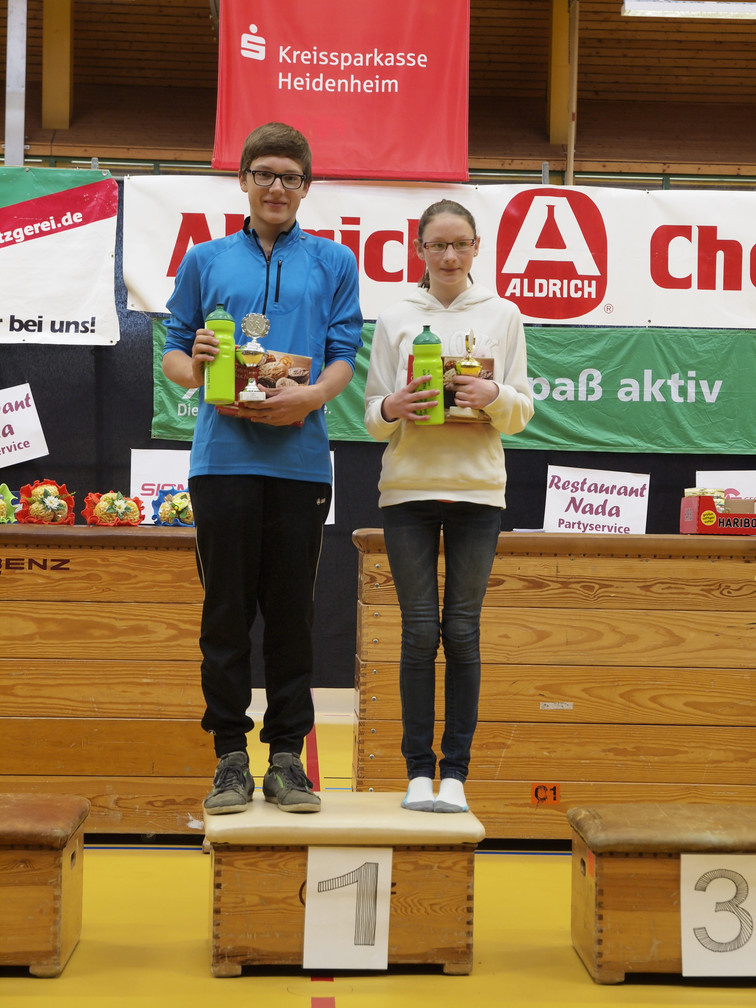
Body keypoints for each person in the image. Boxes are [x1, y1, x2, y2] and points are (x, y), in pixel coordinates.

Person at [162, 122, 363, 815]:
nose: (277, 187)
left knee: (291, 616)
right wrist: (200, 368)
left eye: (291, 177)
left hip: (301, 466)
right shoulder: (205, 259)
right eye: (265, 174)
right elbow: (173, 354)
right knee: (224, 614)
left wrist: (310, 398)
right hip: (221, 461)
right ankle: (229, 759)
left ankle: (285, 759)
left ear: (307, 187)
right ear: (244, 180)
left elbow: (343, 354)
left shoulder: (335, 261)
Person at [364, 199, 533, 814]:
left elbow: (521, 411)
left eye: (460, 243)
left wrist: (494, 394)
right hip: (407, 491)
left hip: (478, 492)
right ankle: (417, 772)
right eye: (437, 244)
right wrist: (393, 406)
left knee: (461, 632)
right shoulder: (395, 316)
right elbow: (372, 414)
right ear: (420, 250)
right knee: (418, 634)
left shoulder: (503, 314)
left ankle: (455, 774)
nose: (449, 255)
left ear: (477, 247)